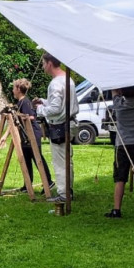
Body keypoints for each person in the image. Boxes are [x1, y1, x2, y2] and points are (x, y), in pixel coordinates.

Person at [34, 53, 79, 204]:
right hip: (69, 123)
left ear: (49, 64)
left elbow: (55, 109)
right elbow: (60, 104)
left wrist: (39, 109)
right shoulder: (68, 79)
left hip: (61, 126)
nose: (42, 66)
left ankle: (63, 194)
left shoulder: (56, 83)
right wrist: (44, 101)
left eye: (43, 63)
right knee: (67, 160)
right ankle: (68, 190)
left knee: (60, 163)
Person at [105, 85, 134, 219]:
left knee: (120, 179)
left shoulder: (119, 104)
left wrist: (120, 86)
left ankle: (116, 210)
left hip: (123, 146)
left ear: (122, 92)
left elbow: (113, 90)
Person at [12, 78, 53, 194]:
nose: (13, 91)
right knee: (26, 159)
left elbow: (31, 117)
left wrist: (19, 116)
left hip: (32, 134)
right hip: (26, 136)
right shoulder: (20, 102)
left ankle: (48, 182)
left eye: (14, 88)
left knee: (37, 158)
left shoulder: (25, 102)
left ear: (19, 89)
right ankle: (27, 185)